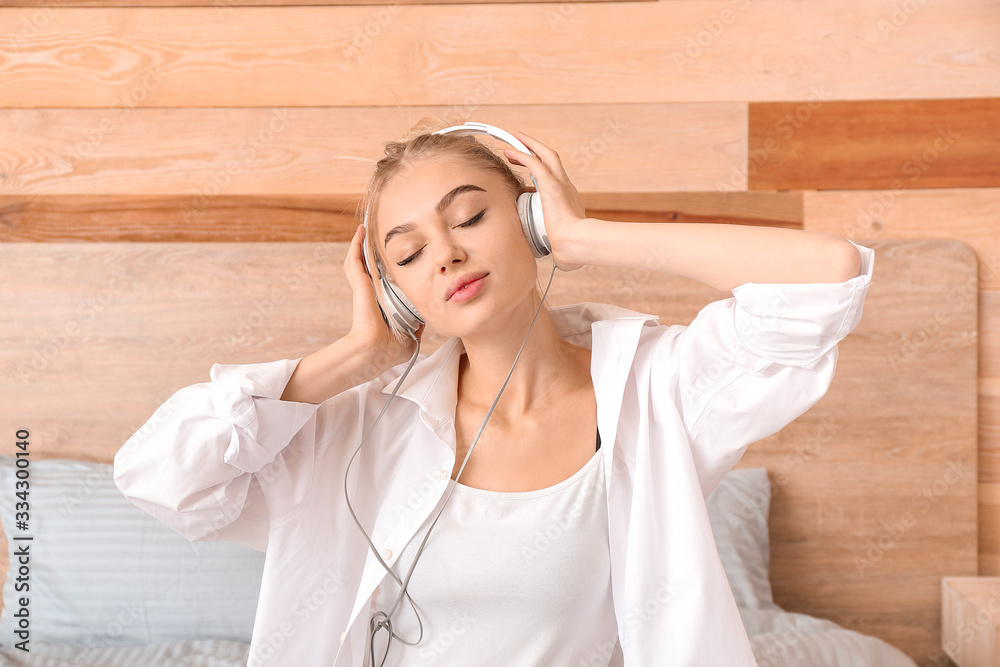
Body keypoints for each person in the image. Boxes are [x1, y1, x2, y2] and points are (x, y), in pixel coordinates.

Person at [113, 116, 873, 667]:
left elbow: (827, 276)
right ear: (396, 289)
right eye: (407, 253)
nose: (445, 254)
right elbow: (161, 475)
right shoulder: (356, 428)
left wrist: (586, 236)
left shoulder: (654, 393)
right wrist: (355, 355)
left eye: (470, 215)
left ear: (531, 219)